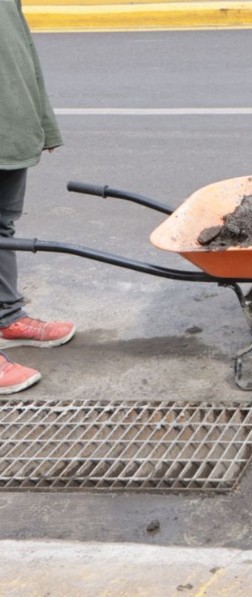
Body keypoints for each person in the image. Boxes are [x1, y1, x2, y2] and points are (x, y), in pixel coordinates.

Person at [0, 0, 77, 395]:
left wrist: (44, 123)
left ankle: (7, 316)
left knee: (2, 229)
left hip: (9, 125)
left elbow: (21, 50)